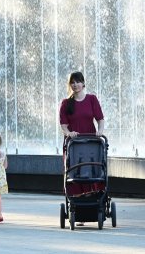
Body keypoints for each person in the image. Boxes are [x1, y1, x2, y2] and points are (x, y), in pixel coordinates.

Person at [59, 71, 105, 202]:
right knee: (75, 169)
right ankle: (77, 203)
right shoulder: (66, 103)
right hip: (74, 142)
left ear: (83, 83)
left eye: (78, 82)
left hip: (90, 139)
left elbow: (100, 119)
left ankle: (93, 198)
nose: (75, 85)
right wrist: (69, 133)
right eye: (72, 82)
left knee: (91, 166)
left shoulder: (92, 99)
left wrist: (100, 131)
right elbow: (63, 124)